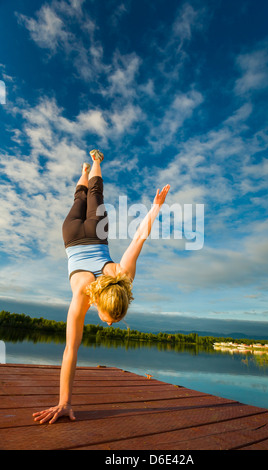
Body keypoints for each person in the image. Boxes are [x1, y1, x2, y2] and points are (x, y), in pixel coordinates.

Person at [32, 149, 170, 424]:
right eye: (108, 319)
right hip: (70, 236)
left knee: (94, 194)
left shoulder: (123, 275)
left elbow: (140, 237)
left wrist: (156, 206)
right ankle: (86, 168)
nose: (107, 324)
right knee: (79, 199)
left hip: (96, 232)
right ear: (100, 303)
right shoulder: (81, 298)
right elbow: (71, 350)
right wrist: (64, 403)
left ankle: (93, 164)